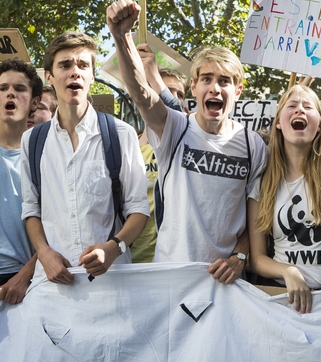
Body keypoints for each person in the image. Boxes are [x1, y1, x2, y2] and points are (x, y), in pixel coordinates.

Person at [106, 0, 268, 284]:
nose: (215, 87)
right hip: (171, 281)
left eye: (225, 81)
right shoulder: (175, 127)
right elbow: (141, 93)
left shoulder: (253, 146)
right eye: (206, 79)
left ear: (238, 90)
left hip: (224, 286)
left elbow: (253, 222)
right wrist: (122, 38)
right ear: (194, 87)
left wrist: (239, 257)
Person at [248, 11, 321, 314]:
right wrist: (289, 272)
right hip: (287, 305)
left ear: (319, 123)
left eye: (308, 106)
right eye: (292, 105)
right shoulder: (261, 183)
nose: (300, 109)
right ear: (280, 123)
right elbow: (257, 258)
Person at [21, 31, 149, 286]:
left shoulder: (121, 134)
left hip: (112, 283)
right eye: (65, 65)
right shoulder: (32, 140)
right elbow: (31, 208)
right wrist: (44, 254)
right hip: (52, 283)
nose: (75, 72)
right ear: (49, 76)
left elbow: (138, 209)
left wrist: (114, 248)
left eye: (83, 65)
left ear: (92, 75)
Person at [131, 66, 188, 263]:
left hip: (170, 262)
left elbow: (175, 115)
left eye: (179, 94)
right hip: (129, 262)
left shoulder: (186, 145)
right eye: (164, 89)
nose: (173, 96)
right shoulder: (124, 147)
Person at [0, 58, 42, 303]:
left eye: (20, 89)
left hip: (29, 284)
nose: (10, 94)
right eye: (3, 88)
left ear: (35, 101)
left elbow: (60, 227)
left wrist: (25, 276)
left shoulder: (47, 156)